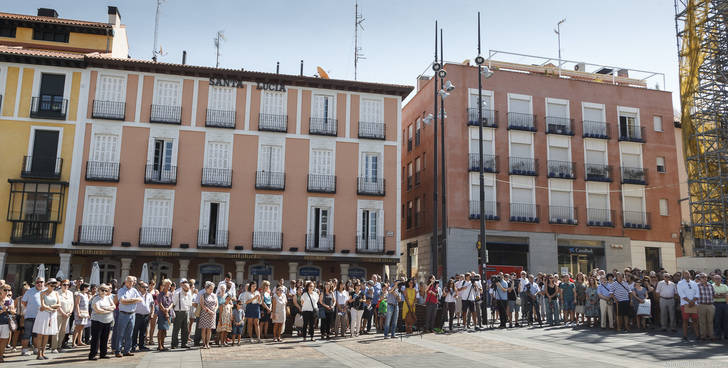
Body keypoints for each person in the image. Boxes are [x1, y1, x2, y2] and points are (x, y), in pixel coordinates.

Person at [115, 276, 142, 357]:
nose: (131, 283)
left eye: (132, 281)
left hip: (132, 314)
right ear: (125, 281)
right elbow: (122, 301)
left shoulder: (134, 290)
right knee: (120, 333)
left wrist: (129, 301)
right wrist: (134, 300)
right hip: (123, 314)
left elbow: (140, 299)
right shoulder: (121, 290)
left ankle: (127, 350)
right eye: (129, 281)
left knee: (129, 334)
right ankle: (118, 350)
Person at [33, 278, 60, 360]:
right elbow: (42, 305)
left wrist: (51, 308)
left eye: (54, 285)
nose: (53, 286)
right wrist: (51, 308)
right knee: (40, 334)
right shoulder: (42, 293)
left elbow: (59, 304)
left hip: (52, 315)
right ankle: (39, 354)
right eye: (51, 284)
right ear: (47, 285)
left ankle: (43, 353)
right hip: (43, 315)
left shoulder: (56, 293)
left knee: (47, 334)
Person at [88, 284, 115, 361]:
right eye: (102, 290)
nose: (104, 292)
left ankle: (103, 354)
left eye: (106, 290)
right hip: (97, 321)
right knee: (96, 339)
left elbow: (114, 307)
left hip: (108, 320)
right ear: (98, 290)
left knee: (105, 338)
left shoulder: (108, 298)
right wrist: (108, 310)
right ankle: (92, 355)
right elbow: (97, 310)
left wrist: (105, 308)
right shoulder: (96, 298)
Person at [20, 277, 44, 356]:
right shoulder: (29, 291)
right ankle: (24, 349)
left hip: (40, 317)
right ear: (35, 283)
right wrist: (30, 307)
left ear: (44, 282)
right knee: (27, 334)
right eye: (38, 282)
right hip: (30, 316)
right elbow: (23, 302)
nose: (39, 283)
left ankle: (36, 349)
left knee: (37, 334)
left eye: (41, 282)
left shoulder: (45, 291)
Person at [50, 279, 73, 353]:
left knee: (63, 331)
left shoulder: (70, 293)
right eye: (64, 285)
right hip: (59, 314)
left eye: (67, 285)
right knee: (56, 331)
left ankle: (59, 346)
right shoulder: (57, 293)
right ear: (61, 285)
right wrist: (63, 313)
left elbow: (72, 304)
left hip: (67, 315)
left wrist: (70, 312)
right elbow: (57, 305)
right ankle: (54, 347)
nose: (66, 286)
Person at [677, 271, 699, 341]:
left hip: (694, 304)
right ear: (683, 275)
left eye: (688, 274)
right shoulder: (680, 283)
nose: (687, 275)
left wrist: (693, 301)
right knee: (685, 320)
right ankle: (685, 335)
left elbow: (697, 293)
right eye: (685, 274)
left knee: (695, 320)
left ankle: (697, 335)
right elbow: (681, 294)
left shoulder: (694, 283)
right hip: (685, 304)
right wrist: (689, 301)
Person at [132, 282, 154, 352]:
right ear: (139, 287)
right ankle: (133, 346)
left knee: (143, 332)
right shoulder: (136, 294)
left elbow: (152, 304)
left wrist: (152, 313)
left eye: (146, 287)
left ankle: (142, 345)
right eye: (144, 287)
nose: (145, 288)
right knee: (135, 331)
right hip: (137, 315)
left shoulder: (149, 295)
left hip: (146, 316)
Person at [171, 279, 192, 349]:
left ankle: (184, 343)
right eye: (185, 289)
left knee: (185, 329)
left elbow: (190, 303)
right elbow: (173, 303)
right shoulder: (177, 292)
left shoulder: (189, 292)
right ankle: (174, 344)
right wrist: (172, 313)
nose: (187, 290)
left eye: (188, 289)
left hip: (186, 311)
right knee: (176, 329)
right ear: (181, 285)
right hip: (178, 312)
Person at [198, 282, 217, 349]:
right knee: (204, 329)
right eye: (210, 289)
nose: (211, 290)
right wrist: (209, 311)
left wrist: (213, 311)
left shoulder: (214, 295)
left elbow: (216, 304)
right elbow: (202, 305)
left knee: (209, 329)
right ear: (206, 289)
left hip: (212, 314)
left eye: (212, 289)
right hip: (205, 314)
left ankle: (208, 343)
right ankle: (204, 343)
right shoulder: (203, 295)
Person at [156, 279, 174, 351]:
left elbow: (172, 303)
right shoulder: (160, 294)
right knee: (161, 329)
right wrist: (165, 311)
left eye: (170, 285)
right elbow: (159, 304)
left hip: (168, 313)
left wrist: (168, 309)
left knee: (165, 330)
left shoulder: (170, 293)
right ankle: (159, 345)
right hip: (162, 314)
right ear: (164, 285)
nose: (169, 286)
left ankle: (163, 345)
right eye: (167, 285)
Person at [696, 273, 715, 340]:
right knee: (702, 321)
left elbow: (713, 294)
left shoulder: (710, 285)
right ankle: (703, 336)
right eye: (703, 277)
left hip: (710, 305)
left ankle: (711, 336)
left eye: (706, 277)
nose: (704, 278)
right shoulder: (697, 286)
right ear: (700, 278)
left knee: (710, 321)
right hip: (701, 305)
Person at [0, 286, 16, 362]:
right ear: (1, 290)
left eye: (8, 290)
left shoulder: (9, 300)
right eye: (5, 290)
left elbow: (13, 312)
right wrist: (3, 310)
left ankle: (0, 356)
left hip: (6, 322)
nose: (7, 291)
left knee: (4, 340)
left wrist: (9, 309)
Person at [712, 274, 728, 340]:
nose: (718, 280)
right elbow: (714, 296)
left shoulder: (725, 286)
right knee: (717, 320)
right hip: (716, 304)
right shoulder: (712, 286)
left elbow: (727, 295)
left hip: (725, 304)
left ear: (721, 279)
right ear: (713, 280)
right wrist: (723, 295)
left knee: (726, 320)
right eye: (716, 279)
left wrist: (719, 294)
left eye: (719, 279)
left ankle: (726, 335)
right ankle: (717, 335)